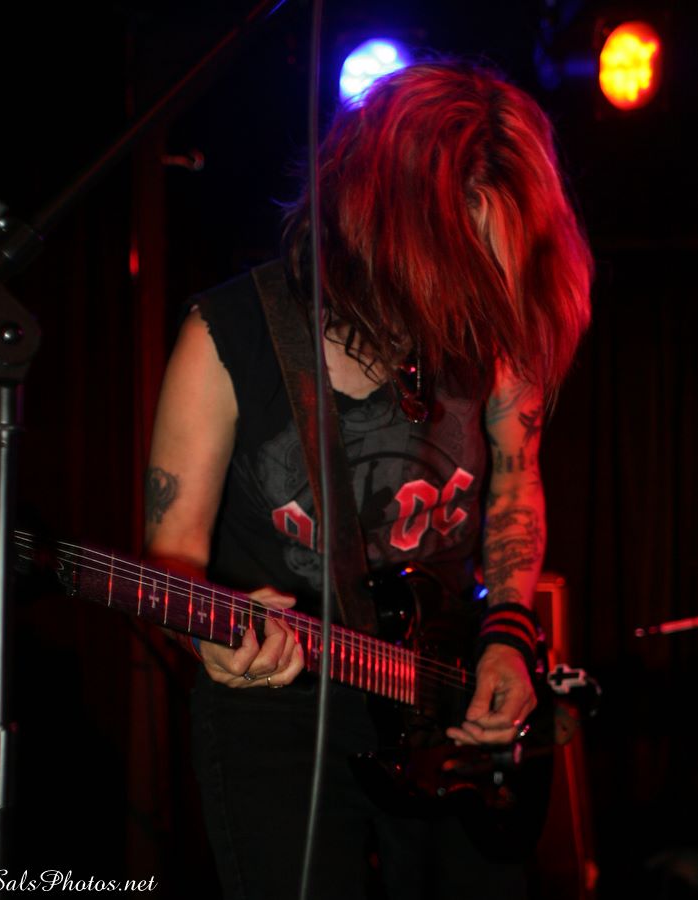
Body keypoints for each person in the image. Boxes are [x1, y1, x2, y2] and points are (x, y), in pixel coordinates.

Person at [143, 60, 592, 900]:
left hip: (445, 690)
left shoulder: (499, 325)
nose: (475, 292)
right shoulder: (227, 336)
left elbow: (513, 482)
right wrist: (206, 638)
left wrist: (508, 632)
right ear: (379, 224)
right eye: (455, 260)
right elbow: (171, 557)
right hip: (279, 710)